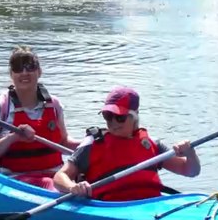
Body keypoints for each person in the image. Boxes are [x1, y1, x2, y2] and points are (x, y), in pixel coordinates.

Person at [52, 86, 200, 201]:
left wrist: (190, 152)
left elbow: (190, 171)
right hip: (109, 208)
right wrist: (73, 187)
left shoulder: (151, 144)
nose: (113, 122)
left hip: (152, 206)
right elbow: (60, 177)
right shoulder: (92, 144)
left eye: (120, 117)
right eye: (108, 116)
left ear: (134, 116)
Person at [0, 46, 79, 188]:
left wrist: (90, 142)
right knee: (50, 184)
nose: (24, 73)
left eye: (30, 67)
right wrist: (13, 137)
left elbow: (62, 142)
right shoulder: (0, 106)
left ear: (39, 72)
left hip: (57, 175)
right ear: (11, 74)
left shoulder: (54, 104)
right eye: (18, 68)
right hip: (17, 179)